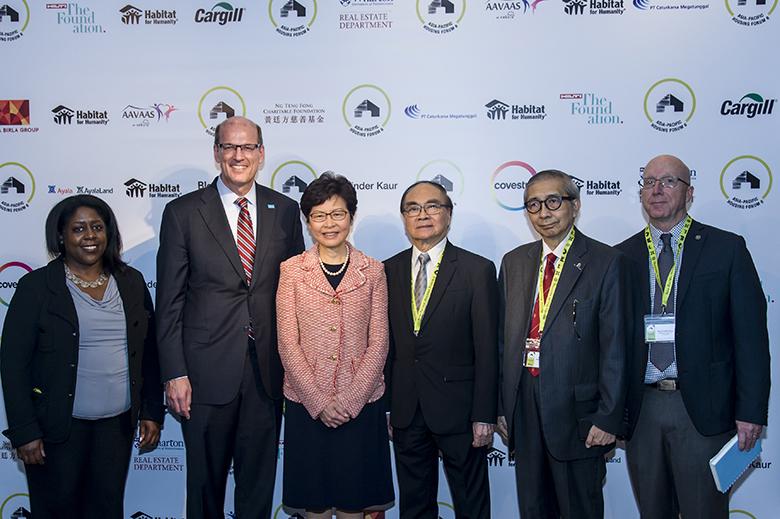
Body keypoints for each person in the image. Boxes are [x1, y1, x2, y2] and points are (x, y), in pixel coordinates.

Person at [156, 116, 305, 518]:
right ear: (216, 153)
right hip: (203, 375)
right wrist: (175, 373)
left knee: (258, 488)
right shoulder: (182, 212)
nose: (238, 156)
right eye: (229, 147)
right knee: (205, 488)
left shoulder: (286, 210)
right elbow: (168, 301)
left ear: (261, 154)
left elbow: (296, 292)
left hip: (266, 373)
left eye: (247, 147)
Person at [616, 154, 770, 519]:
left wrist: (750, 411)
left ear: (690, 193)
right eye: (649, 181)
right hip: (642, 411)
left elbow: (751, 339)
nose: (657, 190)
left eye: (669, 181)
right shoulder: (622, 256)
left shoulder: (726, 249)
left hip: (703, 410)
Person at [0, 194, 164, 518]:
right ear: (61, 236)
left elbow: (149, 354)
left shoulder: (130, 282)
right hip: (56, 430)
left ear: (109, 233)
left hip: (116, 429)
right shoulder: (36, 287)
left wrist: (151, 412)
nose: (89, 236)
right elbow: (13, 363)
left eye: (97, 227)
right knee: (57, 510)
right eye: (78, 229)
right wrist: (25, 431)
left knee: (105, 510)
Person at [496, 169, 628, 519]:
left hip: (579, 418)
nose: (543, 212)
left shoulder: (605, 261)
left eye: (553, 201)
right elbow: (503, 343)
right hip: (524, 414)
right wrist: (501, 406)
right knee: (534, 510)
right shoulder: (514, 262)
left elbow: (616, 347)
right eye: (533, 205)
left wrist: (608, 416)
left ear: (575, 205)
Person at [276, 172, 394, 518]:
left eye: (338, 213)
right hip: (307, 405)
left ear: (351, 217)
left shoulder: (372, 270)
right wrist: (319, 402)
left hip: (360, 406)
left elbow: (379, 342)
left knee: (353, 506)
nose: (330, 224)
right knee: (314, 506)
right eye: (319, 215)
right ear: (308, 220)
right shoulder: (292, 270)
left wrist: (350, 400)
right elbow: (287, 342)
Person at [384, 181, 498, 518]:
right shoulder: (388, 270)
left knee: (471, 504)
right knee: (415, 505)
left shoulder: (477, 270)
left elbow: (488, 348)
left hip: (461, 412)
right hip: (407, 410)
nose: (423, 215)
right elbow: (386, 344)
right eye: (413, 208)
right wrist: (389, 406)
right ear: (404, 217)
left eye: (433, 206)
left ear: (448, 214)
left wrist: (484, 414)